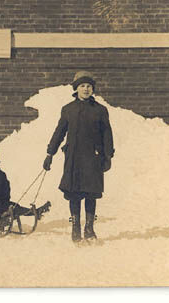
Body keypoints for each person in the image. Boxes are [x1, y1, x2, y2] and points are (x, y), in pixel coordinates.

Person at [43, 71, 114, 243]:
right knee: (74, 193)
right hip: (74, 158)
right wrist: (50, 153)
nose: (86, 89)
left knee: (91, 193)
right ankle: (75, 228)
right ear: (76, 89)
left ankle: (89, 229)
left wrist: (107, 156)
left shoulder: (100, 110)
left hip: (93, 157)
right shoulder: (68, 109)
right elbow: (59, 132)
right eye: (82, 86)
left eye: (89, 86)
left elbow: (107, 134)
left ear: (93, 89)